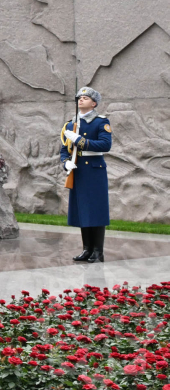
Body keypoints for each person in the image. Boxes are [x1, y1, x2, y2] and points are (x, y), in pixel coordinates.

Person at [59, 86, 112, 263]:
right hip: (78, 170)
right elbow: (63, 149)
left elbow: (105, 145)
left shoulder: (100, 122)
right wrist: (65, 162)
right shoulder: (70, 124)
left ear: (94, 103)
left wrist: (80, 141)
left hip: (94, 170)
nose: (81, 100)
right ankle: (87, 249)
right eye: (79, 98)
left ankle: (98, 251)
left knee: (96, 209)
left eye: (86, 98)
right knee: (83, 210)